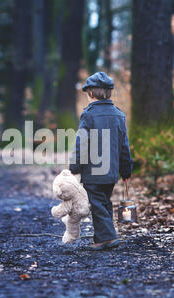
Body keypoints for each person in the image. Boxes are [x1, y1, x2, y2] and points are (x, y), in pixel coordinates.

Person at [69, 72, 133, 251]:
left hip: (93, 171)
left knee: (96, 204)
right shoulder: (118, 115)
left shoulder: (89, 115)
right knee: (104, 201)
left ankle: (107, 238)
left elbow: (81, 143)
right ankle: (103, 236)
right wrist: (126, 170)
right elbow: (124, 146)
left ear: (90, 94)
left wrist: (75, 167)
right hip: (111, 171)